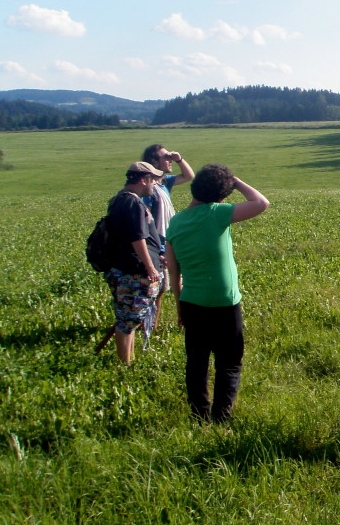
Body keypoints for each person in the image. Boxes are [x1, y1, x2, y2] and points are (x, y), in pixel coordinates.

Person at [165, 164, 270, 423]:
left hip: (191, 302)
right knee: (229, 362)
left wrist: (179, 306)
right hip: (225, 301)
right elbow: (261, 203)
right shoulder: (218, 213)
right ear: (221, 196)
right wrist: (236, 181)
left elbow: (173, 271)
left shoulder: (175, 222)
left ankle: (199, 416)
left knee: (196, 363)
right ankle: (221, 418)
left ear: (195, 187)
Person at [105, 161, 165, 364]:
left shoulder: (119, 199)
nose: (155, 183)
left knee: (129, 319)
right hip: (133, 272)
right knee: (127, 321)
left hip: (126, 269)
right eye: (153, 179)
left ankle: (129, 360)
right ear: (143, 180)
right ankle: (124, 364)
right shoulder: (132, 203)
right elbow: (137, 238)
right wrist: (150, 267)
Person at [141, 145, 194, 325]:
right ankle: (150, 325)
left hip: (170, 241)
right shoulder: (148, 188)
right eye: (165, 157)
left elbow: (189, 176)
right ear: (153, 161)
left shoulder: (163, 182)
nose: (169, 160)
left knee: (170, 284)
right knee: (158, 288)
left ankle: (178, 319)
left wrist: (179, 159)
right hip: (158, 244)